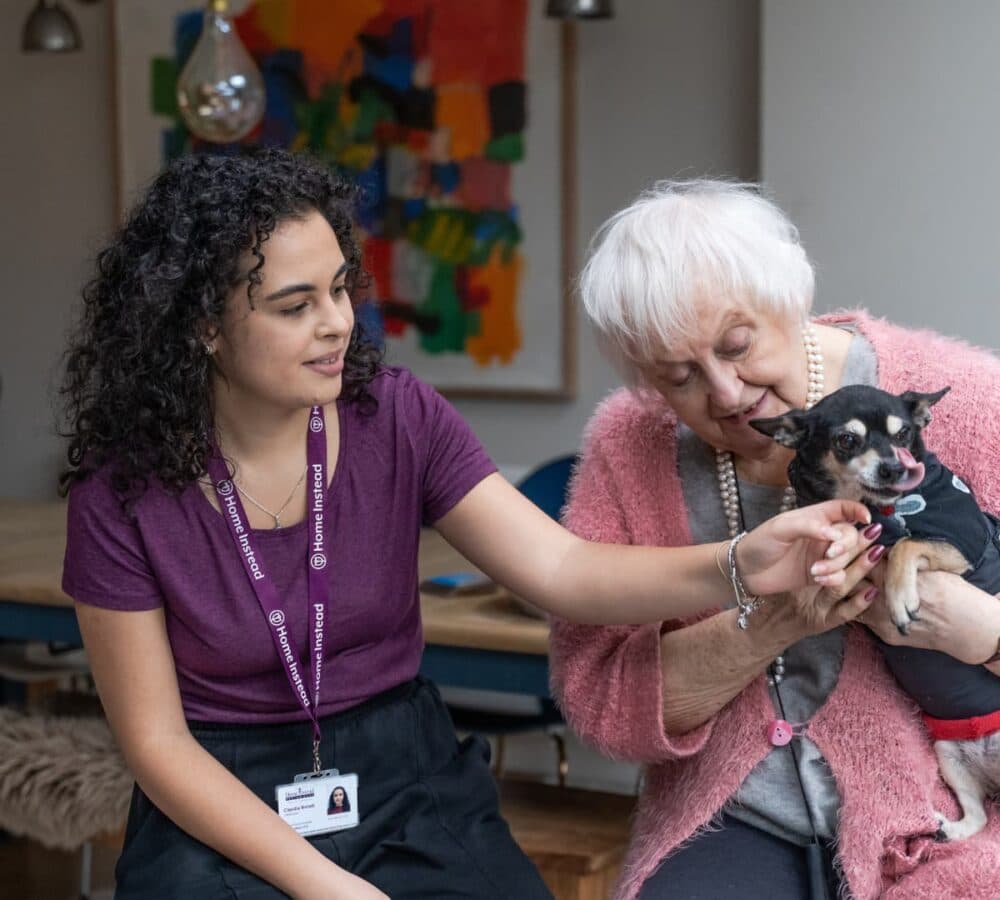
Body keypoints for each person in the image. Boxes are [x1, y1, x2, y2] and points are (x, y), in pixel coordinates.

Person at [60, 152, 869, 900]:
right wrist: (328, 887)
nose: (338, 322)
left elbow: (563, 571)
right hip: (219, 801)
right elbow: (158, 747)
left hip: (405, 776)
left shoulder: (396, 415)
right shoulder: (121, 494)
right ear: (204, 327)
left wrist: (740, 561)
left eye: (340, 289)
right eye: (294, 305)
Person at [548, 179, 1000, 900]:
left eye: (737, 345)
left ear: (788, 298)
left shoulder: (969, 397)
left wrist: (984, 630)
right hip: (732, 818)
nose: (725, 393)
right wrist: (778, 618)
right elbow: (603, 700)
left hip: (958, 809)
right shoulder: (627, 446)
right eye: (680, 376)